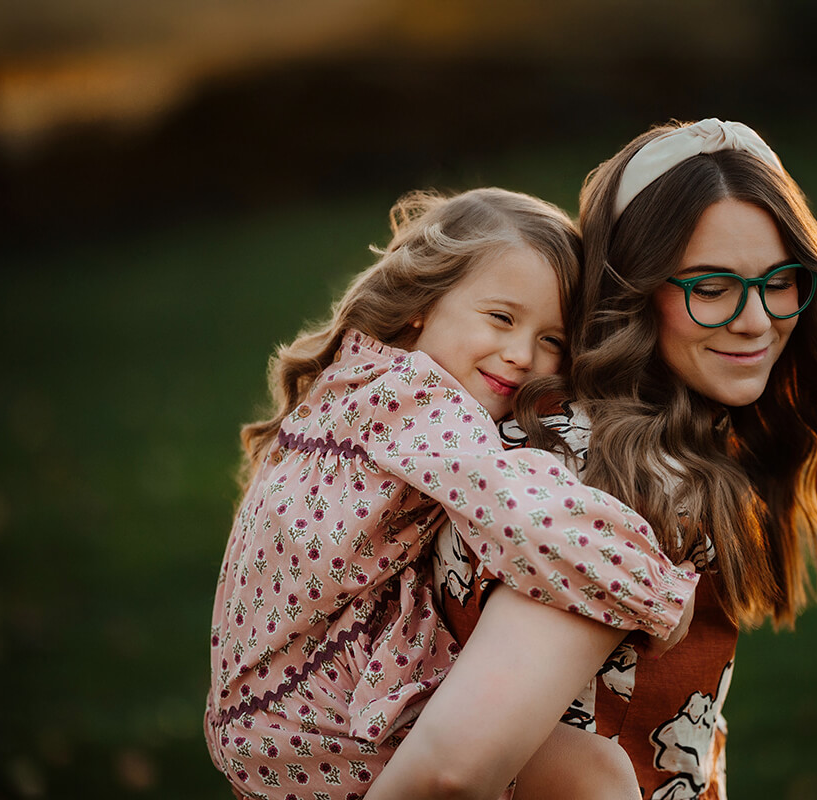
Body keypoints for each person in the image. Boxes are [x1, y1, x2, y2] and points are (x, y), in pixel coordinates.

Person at [435, 119, 817, 799]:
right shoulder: (624, 485)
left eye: (780, 280)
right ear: (634, 290)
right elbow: (452, 772)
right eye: (710, 287)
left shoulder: (576, 432)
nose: (754, 320)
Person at [203, 187, 699, 800]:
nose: (521, 356)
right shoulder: (412, 397)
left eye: (553, 340)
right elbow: (521, 509)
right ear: (422, 305)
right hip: (319, 716)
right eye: (501, 317)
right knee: (594, 777)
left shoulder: (349, 385)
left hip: (266, 716)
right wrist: (653, 586)